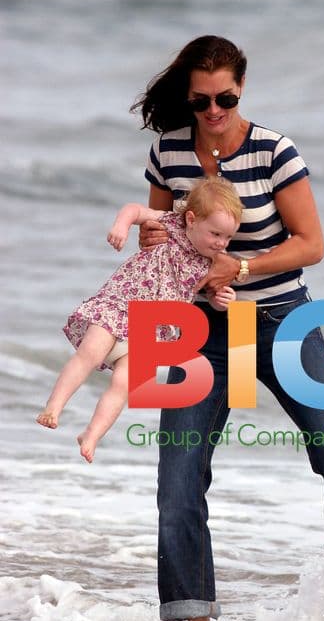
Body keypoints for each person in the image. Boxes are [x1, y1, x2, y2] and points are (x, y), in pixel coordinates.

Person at [133, 35, 324, 621]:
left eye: (225, 98)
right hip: (197, 331)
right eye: (201, 101)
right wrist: (151, 243)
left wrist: (241, 268)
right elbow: (159, 237)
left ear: (241, 88)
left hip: (280, 320)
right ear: (188, 98)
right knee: (178, 479)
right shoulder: (168, 151)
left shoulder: (275, 151)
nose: (213, 111)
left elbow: (311, 245)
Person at [36, 176, 243, 463]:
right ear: (192, 220)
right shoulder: (170, 223)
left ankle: (92, 435)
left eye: (228, 237)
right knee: (89, 353)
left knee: (124, 384)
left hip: (152, 328)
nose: (221, 243)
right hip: (121, 304)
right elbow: (134, 210)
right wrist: (121, 227)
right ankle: (54, 407)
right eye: (216, 234)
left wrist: (223, 301)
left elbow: (214, 295)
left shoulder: (212, 263)